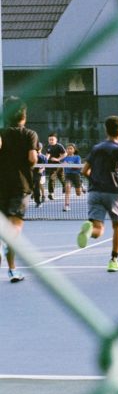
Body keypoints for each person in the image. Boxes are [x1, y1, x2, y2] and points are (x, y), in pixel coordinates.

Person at [76, 116, 118, 273]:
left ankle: (88, 232)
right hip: (112, 192)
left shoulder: (96, 148)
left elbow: (83, 171)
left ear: (106, 130)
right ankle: (114, 261)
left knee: (98, 230)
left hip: (94, 192)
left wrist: (94, 180)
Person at [0, 97, 39, 282]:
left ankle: (13, 269)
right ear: (24, 115)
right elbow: (32, 159)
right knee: (14, 227)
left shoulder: (1, 133)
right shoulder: (29, 134)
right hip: (20, 185)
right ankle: (9, 261)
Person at [61, 143, 83, 212]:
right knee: (67, 189)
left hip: (76, 175)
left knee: (78, 194)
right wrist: (62, 162)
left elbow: (78, 167)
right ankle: (66, 205)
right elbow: (59, 162)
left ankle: (81, 185)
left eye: (71, 148)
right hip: (68, 175)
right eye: (68, 149)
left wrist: (69, 165)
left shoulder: (77, 157)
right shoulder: (65, 158)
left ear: (74, 150)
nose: (69, 150)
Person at [45, 132, 66, 200]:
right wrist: (44, 161)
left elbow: (65, 154)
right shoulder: (49, 146)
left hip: (59, 165)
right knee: (51, 178)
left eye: (52, 139)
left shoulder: (59, 146)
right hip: (52, 165)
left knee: (61, 178)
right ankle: (51, 193)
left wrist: (57, 159)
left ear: (56, 140)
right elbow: (47, 154)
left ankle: (64, 186)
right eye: (49, 140)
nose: (51, 141)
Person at [32, 142, 47, 208]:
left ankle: (40, 199)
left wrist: (40, 172)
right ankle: (34, 194)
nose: (37, 150)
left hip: (40, 174)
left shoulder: (43, 157)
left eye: (38, 148)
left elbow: (43, 167)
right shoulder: (32, 155)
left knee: (38, 186)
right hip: (32, 173)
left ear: (40, 149)